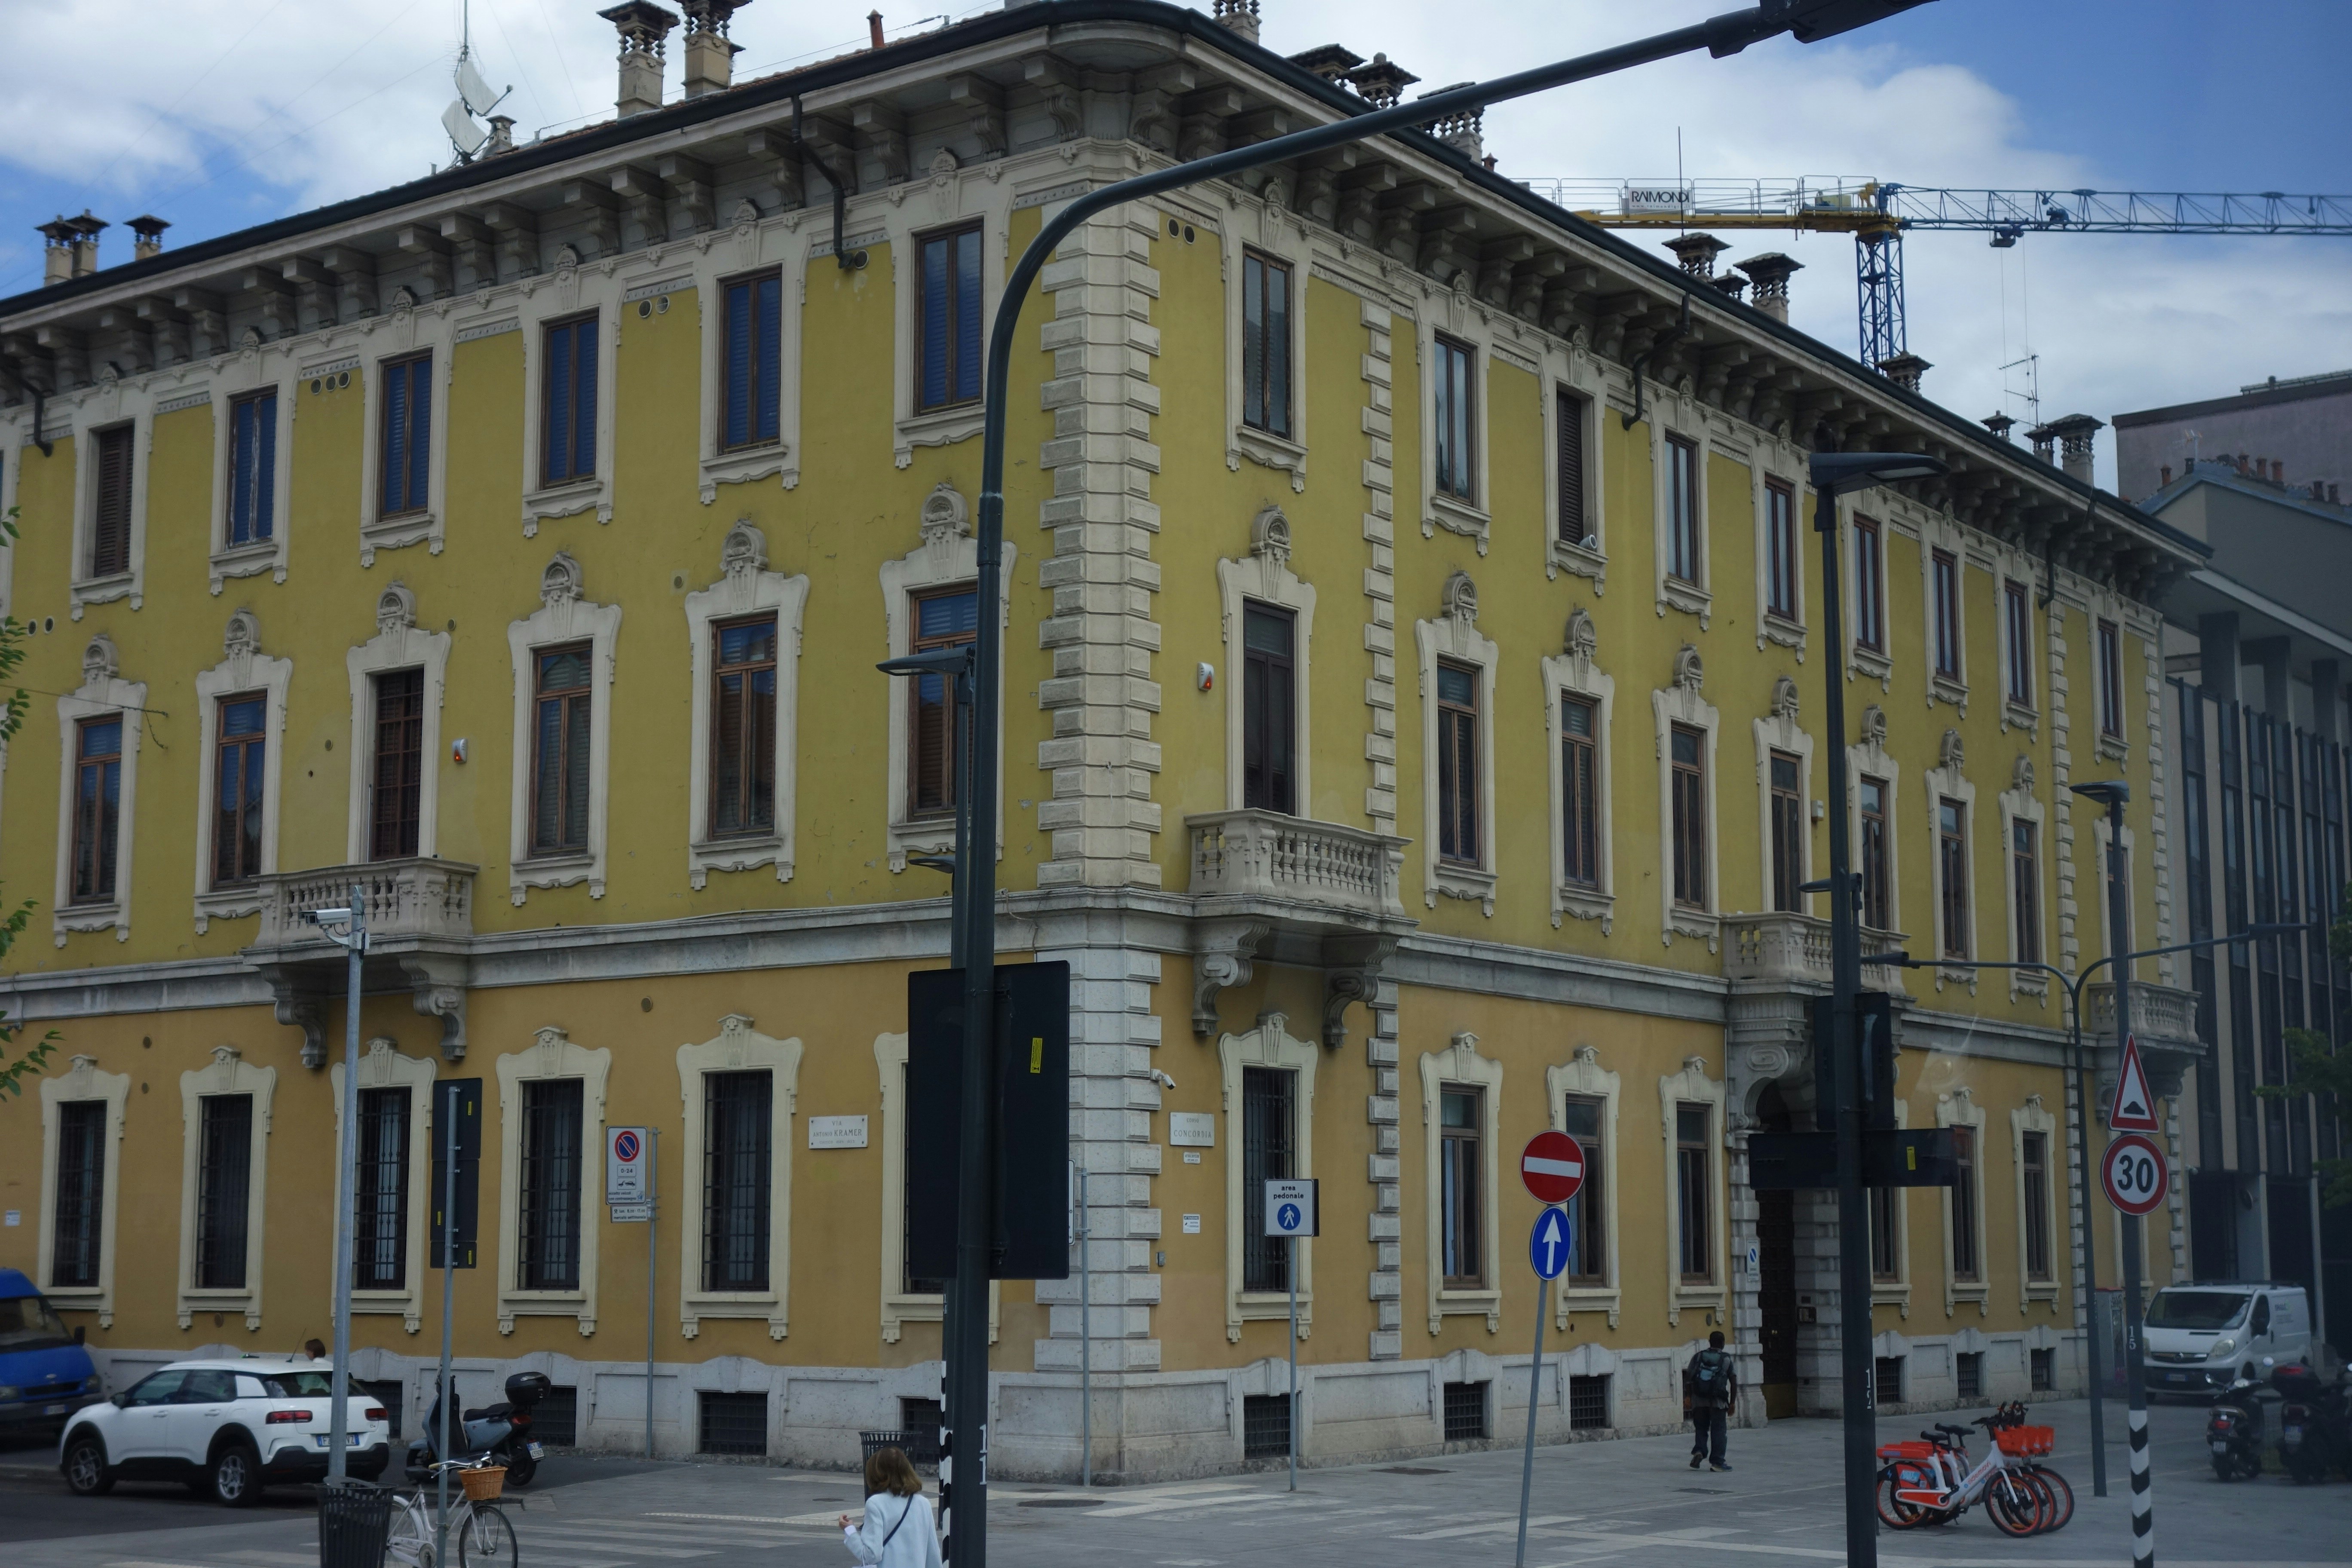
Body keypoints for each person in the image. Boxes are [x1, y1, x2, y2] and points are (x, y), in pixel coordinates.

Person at [841, 1446, 943, 1568]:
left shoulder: (876, 1504)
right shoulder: (924, 1504)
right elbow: (933, 1556)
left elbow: (871, 1556)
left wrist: (849, 1530)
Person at [1684, 1329, 1738, 1472]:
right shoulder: (1726, 1359)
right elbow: (1733, 1381)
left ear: (1710, 1342)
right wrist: (1732, 1403)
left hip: (1699, 1401)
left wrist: (1688, 1397)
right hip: (1718, 1402)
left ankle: (1700, 1451)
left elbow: (1689, 1378)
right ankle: (1717, 1462)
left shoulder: (1698, 1357)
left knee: (1701, 1428)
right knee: (1719, 1430)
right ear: (1723, 1344)